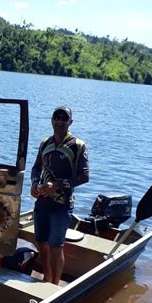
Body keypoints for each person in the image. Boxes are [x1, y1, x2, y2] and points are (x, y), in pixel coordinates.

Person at [30, 106, 89, 285]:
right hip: (42, 202)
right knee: (40, 240)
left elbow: (84, 176)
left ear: (70, 122)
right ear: (52, 120)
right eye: (57, 117)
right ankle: (47, 276)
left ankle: (55, 284)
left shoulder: (78, 145)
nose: (60, 121)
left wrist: (57, 185)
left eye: (64, 118)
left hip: (62, 204)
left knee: (56, 246)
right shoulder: (45, 143)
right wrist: (34, 185)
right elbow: (36, 168)